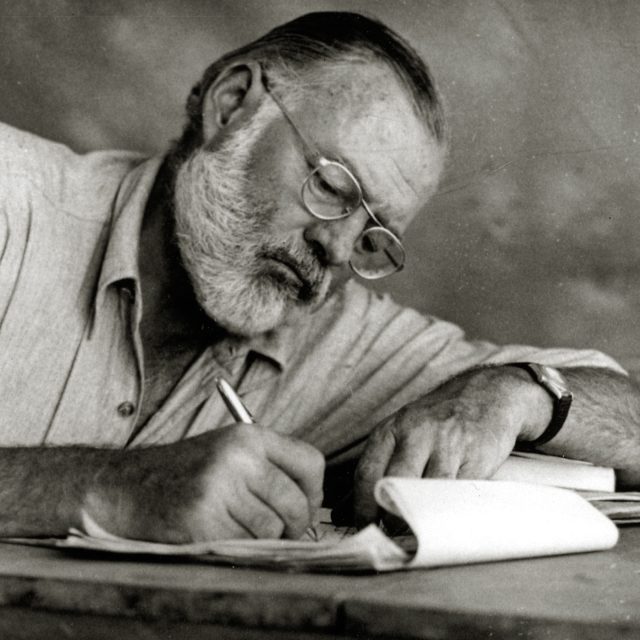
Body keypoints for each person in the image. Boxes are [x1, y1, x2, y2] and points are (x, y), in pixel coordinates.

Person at [0, 11, 639, 543]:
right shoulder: (13, 198)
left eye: (372, 238)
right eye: (332, 187)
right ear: (231, 105)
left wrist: (519, 390)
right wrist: (117, 489)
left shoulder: (337, 336)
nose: (334, 248)